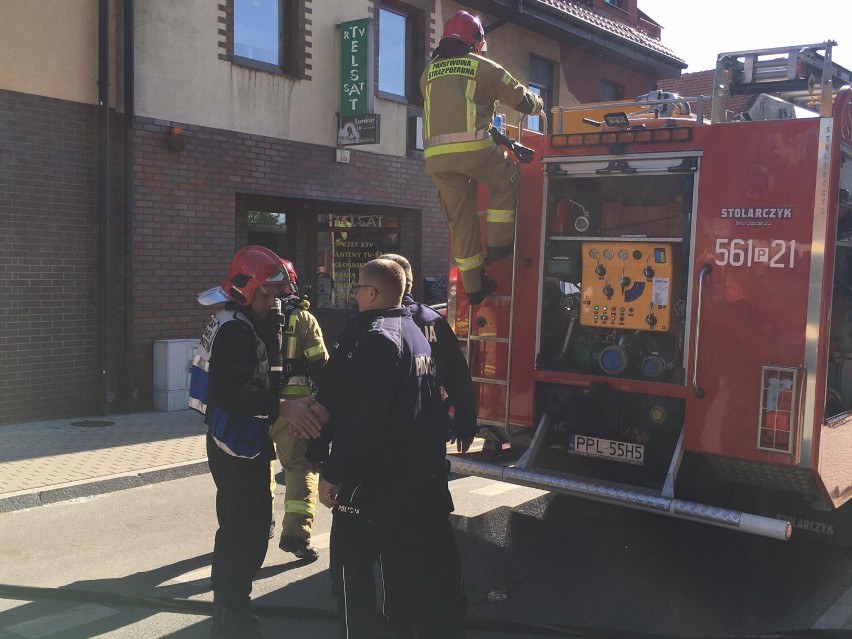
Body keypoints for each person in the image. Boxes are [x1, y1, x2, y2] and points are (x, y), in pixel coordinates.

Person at [308, 259, 468, 639]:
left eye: (359, 290)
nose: (355, 297)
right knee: (401, 576)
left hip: (371, 481)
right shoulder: (414, 332)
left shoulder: (378, 338)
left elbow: (363, 421)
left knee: (352, 574)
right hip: (409, 481)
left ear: (374, 293)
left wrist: (332, 474)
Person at [190, 245, 328, 639]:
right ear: (244, 288)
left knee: (241, 527)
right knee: (243, 533)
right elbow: (231, 393)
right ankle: (232, 616)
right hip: (235, 442)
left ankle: (230, 608)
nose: (272, 303)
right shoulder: (236, 329)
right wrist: (282, 406)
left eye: (276, 295)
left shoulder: (238, 318)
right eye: (265, 295)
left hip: (235, 438)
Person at [420, 9, 543, 305]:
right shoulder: (482, 67)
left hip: (436, 158)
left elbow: (459, 117)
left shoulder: (428, 73)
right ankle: (499, 246)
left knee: (460, 220)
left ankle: (474, 287)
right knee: (506, 179)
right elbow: (523, 101)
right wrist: (539, 104)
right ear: (475, 41)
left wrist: (503, 139)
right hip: (474, 150)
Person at [262, 258, 329, 561]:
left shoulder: (254, 314)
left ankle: (262, 524)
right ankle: (296, 535)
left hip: (259, 404)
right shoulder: (303, 318)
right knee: (299, 468)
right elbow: (321, 366)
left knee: (259, 464)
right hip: (297, 410)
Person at [380, 253, 478, 452]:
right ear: (411, 283)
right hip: (429, 427)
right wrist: (465, 426)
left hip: (384, 433)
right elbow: (458, 376)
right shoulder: (433, 320)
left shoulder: (375, 323)